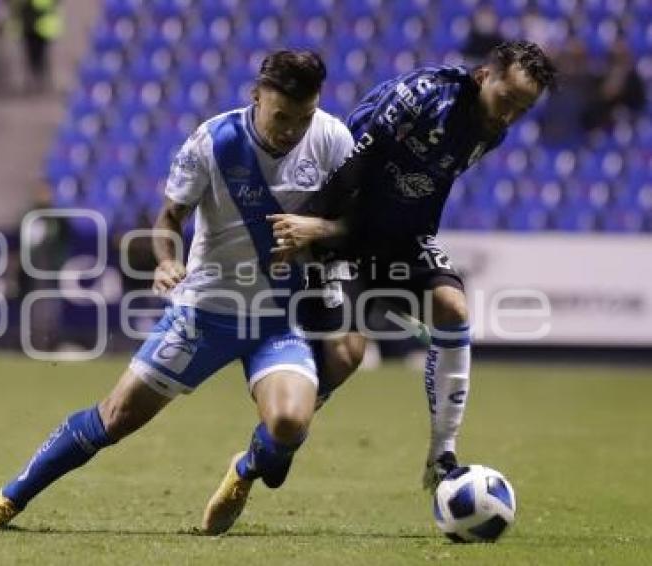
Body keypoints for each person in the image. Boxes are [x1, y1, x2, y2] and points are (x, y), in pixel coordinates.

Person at [0, 50, 359, 532]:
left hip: (279, 318)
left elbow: (358, 222)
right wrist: (168, 261)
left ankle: (244, 469)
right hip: (206, 310)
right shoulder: (213, 142)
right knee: (115, 417)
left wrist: (317, 230)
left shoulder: (334, 139)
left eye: (304, 117)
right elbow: (170, 217)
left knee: (290, 424)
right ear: (256, 97)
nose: (292, 130)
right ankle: (8, 500)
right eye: (281, 116)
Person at [204, 40, 557, 532]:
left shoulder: (490, 131)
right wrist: (314, 229)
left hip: (401, 240)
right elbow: (348, 170)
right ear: (484, 75)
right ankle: (255, 460)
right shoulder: (420, 98)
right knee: (347, 355)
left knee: (453, 308)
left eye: (524, 108)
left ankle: (442, 456)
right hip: (343, 230)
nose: (511, 115)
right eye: (509, 98)